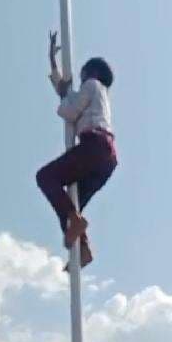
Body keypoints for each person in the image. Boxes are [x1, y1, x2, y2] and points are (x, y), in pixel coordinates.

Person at [36, 31, 117, 269]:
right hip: (106, 157)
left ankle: (76, 225)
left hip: (95, 146)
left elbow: (68, 110)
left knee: (46, 177)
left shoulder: (92, 85)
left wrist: (64, 101)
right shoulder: (97, 94)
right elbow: (66, 94)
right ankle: (83, 248)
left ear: (90, 73)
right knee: (70, 205)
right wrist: (53, 63)